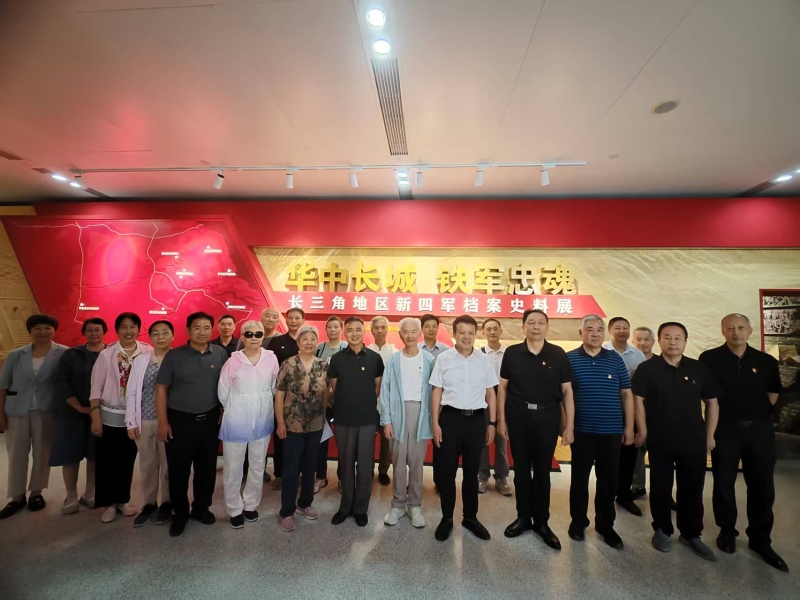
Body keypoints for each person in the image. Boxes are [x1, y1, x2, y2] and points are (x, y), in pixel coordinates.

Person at [700, 313, 788, 572]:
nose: (736, 332)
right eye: (730, 328)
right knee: (723, 482)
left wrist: (755, 414)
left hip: (759, 431)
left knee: (762, 485)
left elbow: (773, 394)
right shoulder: (709, 359)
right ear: (722, 331)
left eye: (741, 328)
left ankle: (760, 539)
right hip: (725, 430)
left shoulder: (766, 361)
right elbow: (706, 396)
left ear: (750, 331)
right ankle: (727, 531)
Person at [632, 322, 719, 561]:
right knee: (660, 485)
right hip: (660, 438)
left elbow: (712, 402)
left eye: (677, 338)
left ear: (685, 341)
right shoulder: (647, 368)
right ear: (659, 341)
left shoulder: (698, 368)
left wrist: (709, 435)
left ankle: (691, 533)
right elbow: (638, 400)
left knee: (692, 486)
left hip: (693, 439)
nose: (672, 342)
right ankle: (662, 529)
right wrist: (643, 430)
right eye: (667, 337)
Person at [498, 309, 574, 550]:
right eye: (531, 323)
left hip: (547, 417)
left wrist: (569, 426)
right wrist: (501, 421)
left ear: (547, 327)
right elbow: (502, 389)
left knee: (542, 471)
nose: (536, 327)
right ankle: (523, 517)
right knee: (521, 469)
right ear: (523, 327)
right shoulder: (512, 353)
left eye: (541, 323)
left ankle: (542, 522)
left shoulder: (558, 354)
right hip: (518, 416)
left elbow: (567, 391)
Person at [156, 312, 228, 538]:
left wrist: (224, 409)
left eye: (206, 327)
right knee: (178, 470)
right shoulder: (174, 356)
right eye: (197, 328)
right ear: (188, 330)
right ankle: (180, 513)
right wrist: (163, 422)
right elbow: (161, 388)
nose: (202, 332)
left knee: (206, 469)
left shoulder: (220, 353)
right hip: (179, 421)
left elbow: (226, 384)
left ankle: (201, 508)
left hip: (210, 421)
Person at [566, 314, 634, 550]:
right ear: (580, 333)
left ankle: (606, 525)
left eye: (599, 330)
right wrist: (566, 427)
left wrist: (629, 427)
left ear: (604, 334)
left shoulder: (615, 359)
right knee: (579, 479)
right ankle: (578, 522)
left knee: (609, 481)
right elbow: (563, 396)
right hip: (582, 431)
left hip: (611, 431)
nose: (594, 334)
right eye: (589, 329)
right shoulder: (569, 359)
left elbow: (626, 394)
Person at [430, 315, 498, 542]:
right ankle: (446, 518)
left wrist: (492, 423)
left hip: (476, 421)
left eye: (471, 333)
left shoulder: (483, 359)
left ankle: (470, 517)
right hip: (449, 420)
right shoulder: (444, 359)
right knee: (446, 473)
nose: (466, 337)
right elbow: (436, 392)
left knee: (471, 473)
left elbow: (490, 393)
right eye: (462, 333)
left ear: (475, 334)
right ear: (454, 334)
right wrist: (435, 423)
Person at [0, 314, 67, 519]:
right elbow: (3, 385)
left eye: (47, 328)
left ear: (54, 330)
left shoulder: (63, 353)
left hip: (47, 410)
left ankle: (36, 493)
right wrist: (0, 413)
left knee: (42, 453)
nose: (42, 332)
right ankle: (16, 496)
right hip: (16, 410)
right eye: (37, 328)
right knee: (16, 453)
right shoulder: (16, 355)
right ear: (30, 331)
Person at [90, 312, 151, 523]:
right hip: (110, 416)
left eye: (133, 326)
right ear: (117, 330)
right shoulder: (107, 354)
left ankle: (123, 500)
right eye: (124, 327)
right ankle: (108, 504)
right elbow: (95, 388)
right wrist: (95, 417)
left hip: (136, 416)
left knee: (127, 460)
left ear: (139, 329)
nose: (129, 331)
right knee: (108, 461)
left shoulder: (147, 352)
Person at [218, 320, 278, 530]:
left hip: (262, 420)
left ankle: (251, 505)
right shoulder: (232, 361)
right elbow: (223, 392)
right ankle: (234, 509)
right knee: (233, 467)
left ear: (263, 336)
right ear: (242, 337)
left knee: (258, 465)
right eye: (249, 334)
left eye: (258, 334)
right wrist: (238, 408)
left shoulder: (271, 359)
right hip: (236, 421)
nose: (254, 338)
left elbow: (274, 387)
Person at [329, 317, 384, 527]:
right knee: (345, 463)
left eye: (358, 329)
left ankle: (361, 508)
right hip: (343, 419)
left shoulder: (375, 358)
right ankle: (345, 507)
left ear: (364, 331)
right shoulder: (337, 359)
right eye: (350, 330)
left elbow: (377, 388)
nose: (354, 333)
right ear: (345, 332)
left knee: (364, 464)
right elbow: (335, 387)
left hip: (367, 419)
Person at [380, 317, 434, 529]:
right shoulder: (394, 360)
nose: (410, 335)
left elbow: (436, 392)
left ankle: (415, 505)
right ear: (400, 334)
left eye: (414, 331)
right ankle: (397, 505)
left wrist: (434, 419)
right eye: (406, 332)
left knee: (417, 463)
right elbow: (385, 391)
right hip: (397, 414)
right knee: (398, 461)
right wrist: (386, 420)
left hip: (421, 414)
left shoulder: (429, 360)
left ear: (419, 334)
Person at [49, 317, 106, 515]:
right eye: (89, 330)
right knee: (70, 455)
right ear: (84, 333)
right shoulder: (72, 354)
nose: (94, 333)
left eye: (97, 330)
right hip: (71, 412)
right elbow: (61, 382)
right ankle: (71, 496)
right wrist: (79, 407)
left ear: (104, 332)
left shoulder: (111, 354)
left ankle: (89, 493)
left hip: (100, 413)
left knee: (95, 455)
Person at [275, 326, 329, 532]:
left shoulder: (323, 365)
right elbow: (279, 395)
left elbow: (326, 393)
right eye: (304, 339)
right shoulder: (288, 364)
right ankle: (287, 511)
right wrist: (280, 422)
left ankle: (305, 503)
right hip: (292, 424)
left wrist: (323, 415)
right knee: (291, 468)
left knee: (310, 466)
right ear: (298, 343)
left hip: (315, 424)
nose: (308, 342)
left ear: (317, 342)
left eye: (312, 339)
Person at [125, 320, 174, 527]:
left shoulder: (177, 359)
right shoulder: (141, 360)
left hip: (170, 422)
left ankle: (167, 503)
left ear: (172, 335)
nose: (160, 336)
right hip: (144, 420)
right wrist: (130, 421)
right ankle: (149, 503)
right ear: (150, 337)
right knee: (147, 465)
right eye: (155, 333)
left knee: (168, 466)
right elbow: (131, 391)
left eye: (165, 332)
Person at [603, 317, 647, 518]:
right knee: (608, 456)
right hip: (606, 411)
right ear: (610, 330)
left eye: (625, 328)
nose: (622, 331)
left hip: (631, 410)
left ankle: (624, 495)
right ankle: (606, 494)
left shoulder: (637, 355)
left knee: (629, 455)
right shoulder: (602, 350)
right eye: (617, 327)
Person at [267, 307, 306, 490]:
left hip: (303, 399)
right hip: (281, 396)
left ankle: (298, 473)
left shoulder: (306, 340)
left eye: (297, 318)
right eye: (290, 318)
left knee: (299, 438)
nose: (294, 321)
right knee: (280, 436)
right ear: (286, 320)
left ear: (303, 321)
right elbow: (271, 368)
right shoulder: (277, 341)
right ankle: (280, 474)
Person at [478, 318, 511, 496]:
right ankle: (482, 475)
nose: (492, 332)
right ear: (483, 333)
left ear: (501, 331)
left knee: (501, 439)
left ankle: (502, 477)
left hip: (504, 400)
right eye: (488, 329)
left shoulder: (509, 353)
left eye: (495, 329)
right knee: (483, 439)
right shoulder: (479, 354)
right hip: (483, 400)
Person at [315, 316, 347, 493]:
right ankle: (321, 476)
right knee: (320, 442)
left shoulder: (347, 348)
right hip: (322, 403)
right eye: (330, 327)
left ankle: (343, 478)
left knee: (344, 443)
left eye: (336, 326)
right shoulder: (319, 348)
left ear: (341, 329)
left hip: (342, 403)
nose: (333, 330)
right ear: (326, 329)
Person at [368, 315, 397, 487]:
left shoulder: (394, 353)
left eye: (383, 327)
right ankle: (368, 470)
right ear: (371, 330)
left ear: (388, 329)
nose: (380, 330)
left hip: (388, 405)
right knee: (367, 441)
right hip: (369, 405)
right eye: (376, 327)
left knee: (387, 440)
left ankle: (383, 471)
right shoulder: (366, 351)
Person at [630, 326, 656, 498]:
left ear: (653, 342)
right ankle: (637, 486)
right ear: (633, 342)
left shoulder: (661, 362)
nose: (642, 343)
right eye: (638, 339)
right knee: (636, 454)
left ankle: (663, 492)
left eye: (646, 339)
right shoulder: (631, 362)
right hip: (635, 415)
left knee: (660, 457)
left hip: (658, 417)